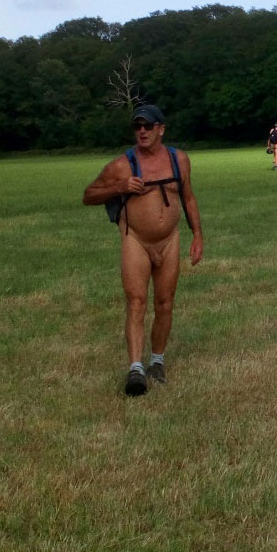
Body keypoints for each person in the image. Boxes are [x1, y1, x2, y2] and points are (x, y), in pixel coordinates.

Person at [82, 103, 205, 396]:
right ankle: (135, 369)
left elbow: (188, 199)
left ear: (160, 129)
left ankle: (156, 362)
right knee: (137, 302)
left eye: (148, 126)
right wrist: (121, 187)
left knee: (165, 302)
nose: (142, 131)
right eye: (137, 126)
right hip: (135, 239)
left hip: (169, 240)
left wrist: (197, 235)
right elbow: (88, 195)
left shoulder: (179, 160)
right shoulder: (121, 166)